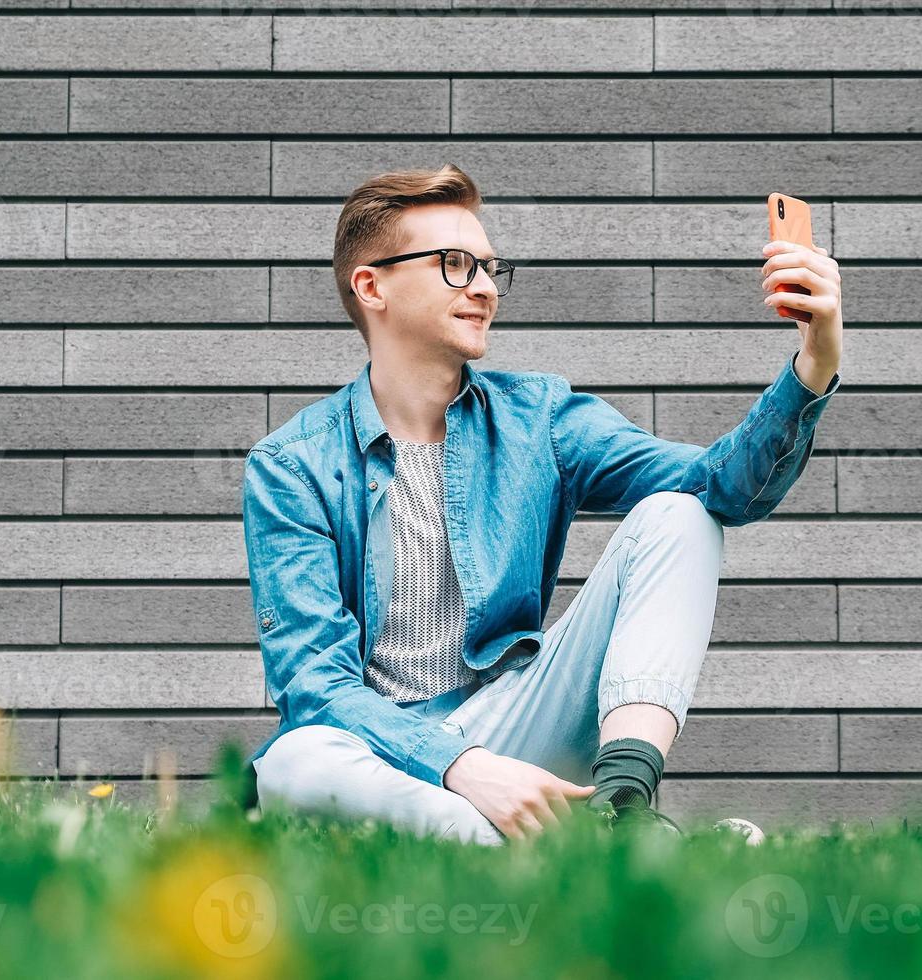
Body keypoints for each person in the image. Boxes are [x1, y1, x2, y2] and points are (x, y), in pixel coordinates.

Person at [241, 164, 842, 846]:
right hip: (385, 758)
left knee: (679, 513)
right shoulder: (292, 466)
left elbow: (722, 487)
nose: (485, 288)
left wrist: (813, 363)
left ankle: (621, 802)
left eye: (491, 268)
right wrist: (459, 766)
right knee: (293, 763)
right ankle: (571, 848)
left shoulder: (540, 419)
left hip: (514, 729)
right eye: (455, 264)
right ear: (371, 285)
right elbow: (316, 685)